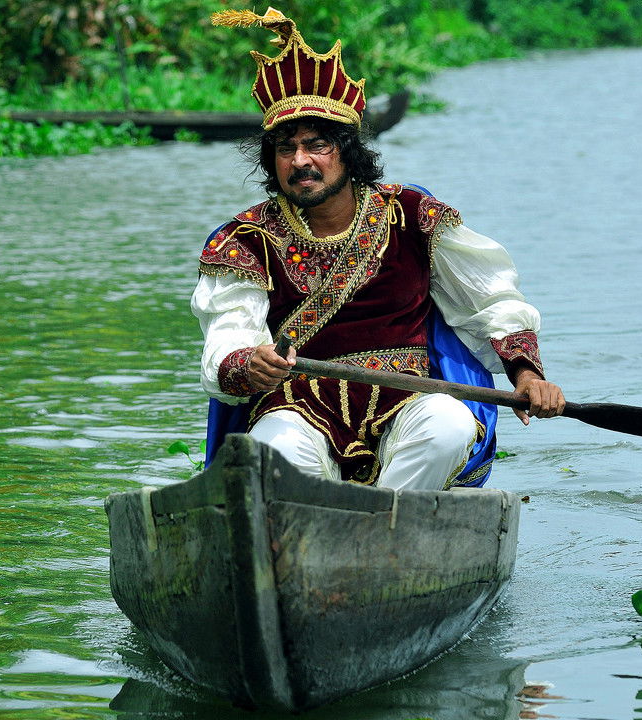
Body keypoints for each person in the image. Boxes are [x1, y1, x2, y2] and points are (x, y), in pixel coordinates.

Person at [193, 8, 564, 489]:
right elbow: (227, 341)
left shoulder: (413, 216)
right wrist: (249, 363)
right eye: (286, 148)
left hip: (407, 400)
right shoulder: (245, 240)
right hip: (296, 408)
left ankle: (386, 519)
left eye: (317, 145)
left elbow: (491, 301)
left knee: (450, 426)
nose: (300, 160)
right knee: (272, 451)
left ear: (348, 152)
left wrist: (527, 376)